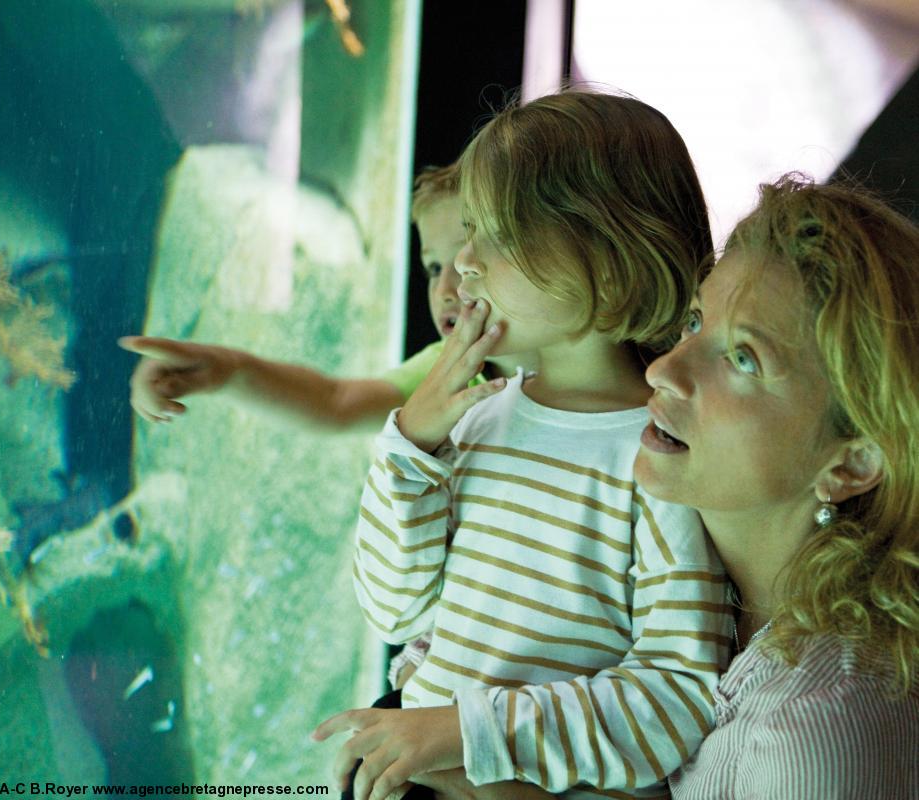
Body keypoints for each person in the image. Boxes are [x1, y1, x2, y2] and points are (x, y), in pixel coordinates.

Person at [314, 88, 733, 800]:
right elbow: (393, 610)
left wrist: (465, 730)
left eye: (497, 237)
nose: (465, 265)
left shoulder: (659, 456)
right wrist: (410, 445)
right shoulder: (474, 423)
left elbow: (675, 699)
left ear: (609, 257)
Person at [634, 175, 919, 798]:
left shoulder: (824, 723)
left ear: (851, 464)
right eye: (693, 323)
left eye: (743, 359)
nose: (663, 370)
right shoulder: (665, 566)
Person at [119, 164, 532, 428]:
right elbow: (335, 401)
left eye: (462, 262)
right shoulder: (447, 374)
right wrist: (227, 370)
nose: (444, 291)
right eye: (433, 268)